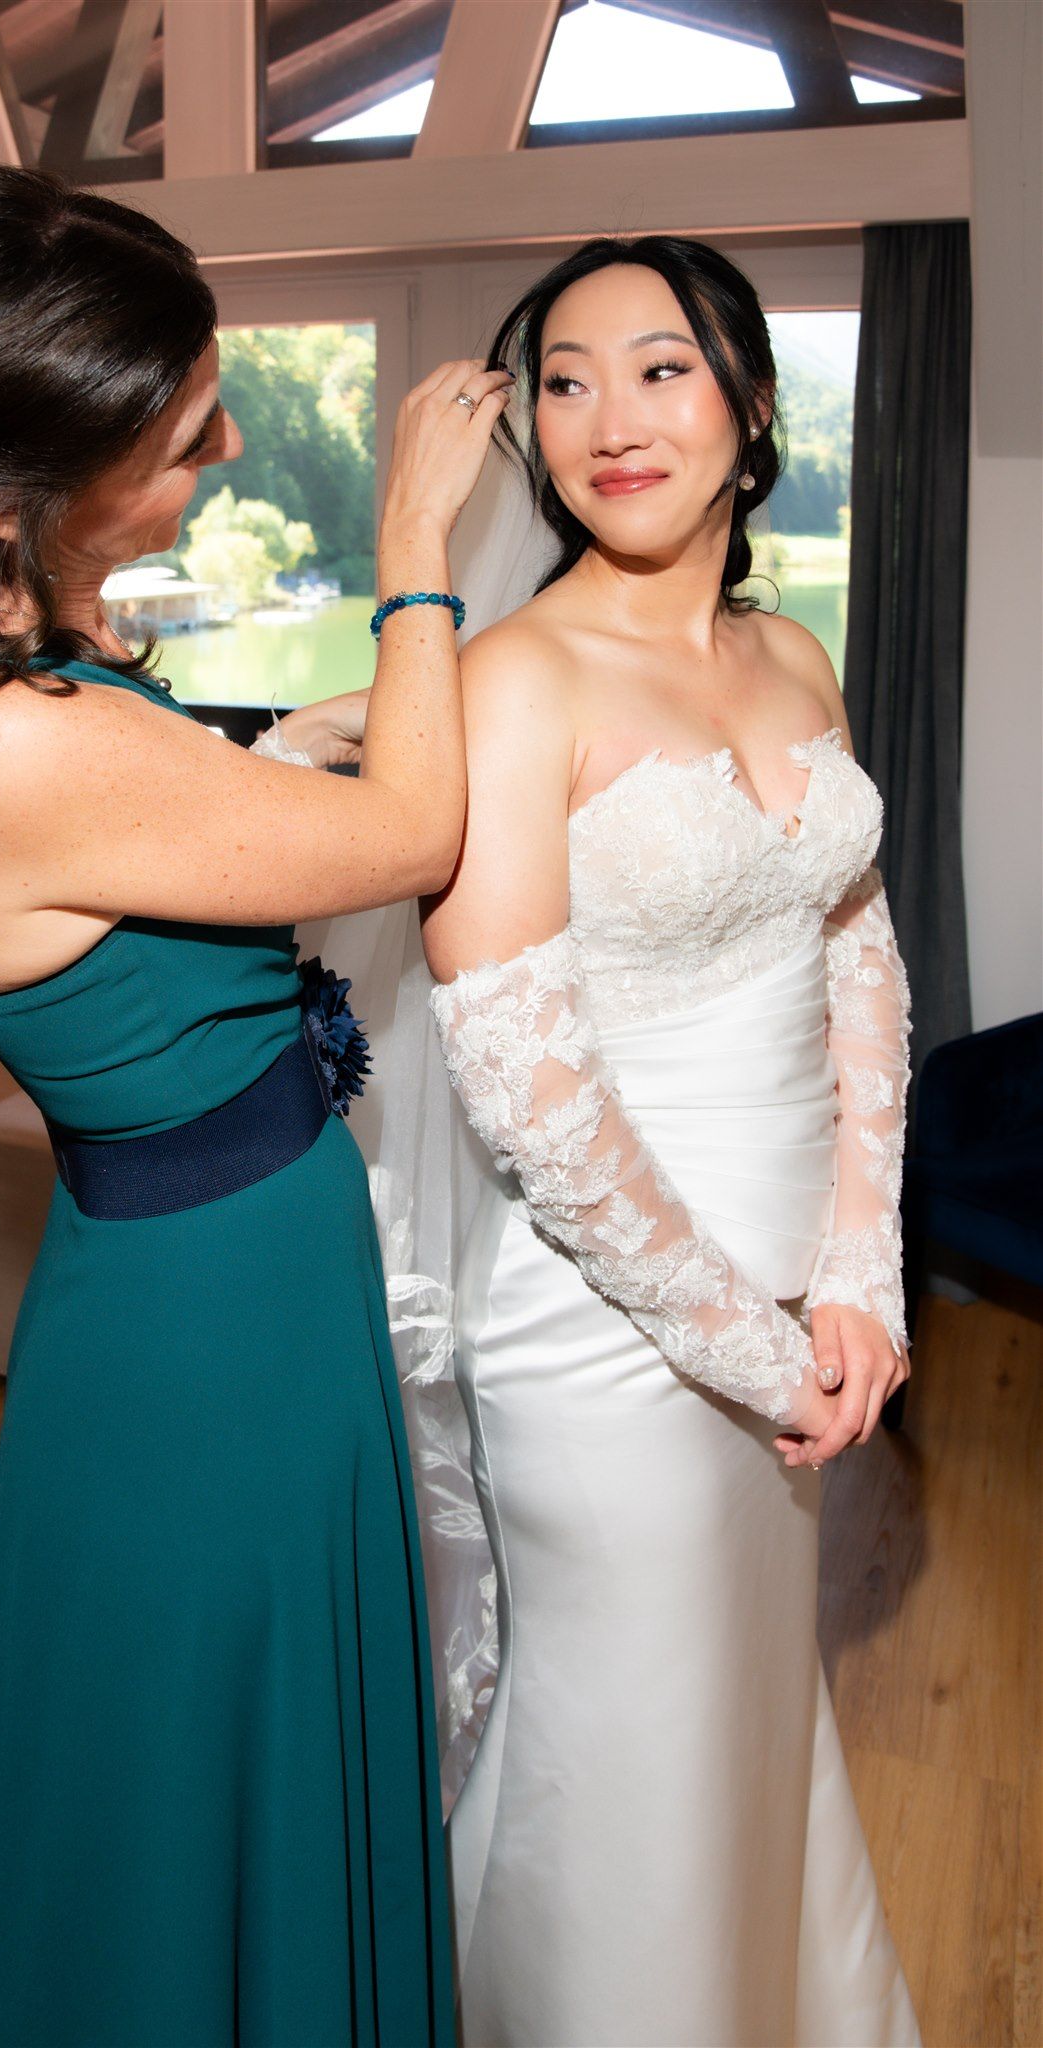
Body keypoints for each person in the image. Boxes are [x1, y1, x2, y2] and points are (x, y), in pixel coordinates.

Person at [0, 160, 514, 2048]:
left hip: (225, 1292)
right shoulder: (6, 751)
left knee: (223, 1741)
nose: (221, 452)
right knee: (193, 1774)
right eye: (184, 433)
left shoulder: (8, 685)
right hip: (201, 1345)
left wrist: (276, 743)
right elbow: (409, 839)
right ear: (13, 486)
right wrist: (412, 550)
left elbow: (171, 810)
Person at [352, 236, 921, 2047]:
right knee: (632, 1749)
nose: (611, 417)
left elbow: (860, 954)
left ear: (749, 405)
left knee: (747, 1712)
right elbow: (518, 1070)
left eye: (661, 367)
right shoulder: (515, 680)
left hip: (797, 1295)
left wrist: (861, 1264)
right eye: (567, 377)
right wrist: (747, 1345)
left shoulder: (793, 650)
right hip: (604, 1322)